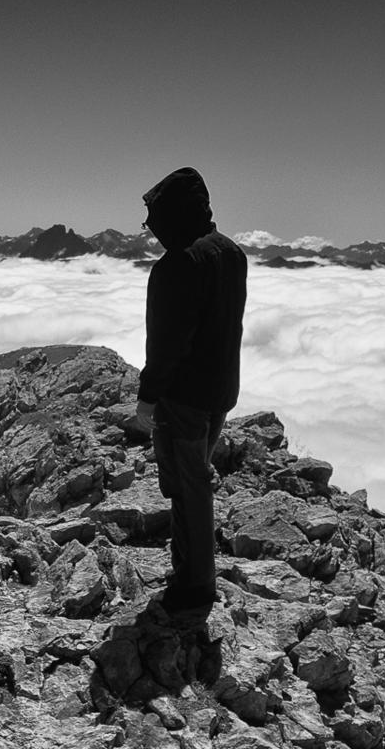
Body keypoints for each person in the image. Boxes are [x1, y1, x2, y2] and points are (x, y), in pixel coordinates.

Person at [135, 166, 247, 616]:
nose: (152, 230)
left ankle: (196, 586)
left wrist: (147, 399)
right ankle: (188, 568)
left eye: (154, 219)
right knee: (193, 479)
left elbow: (167, 344)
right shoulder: (232, 254)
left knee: (188, 487)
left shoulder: (178, 265)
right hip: (221, 389)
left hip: (184, 396)